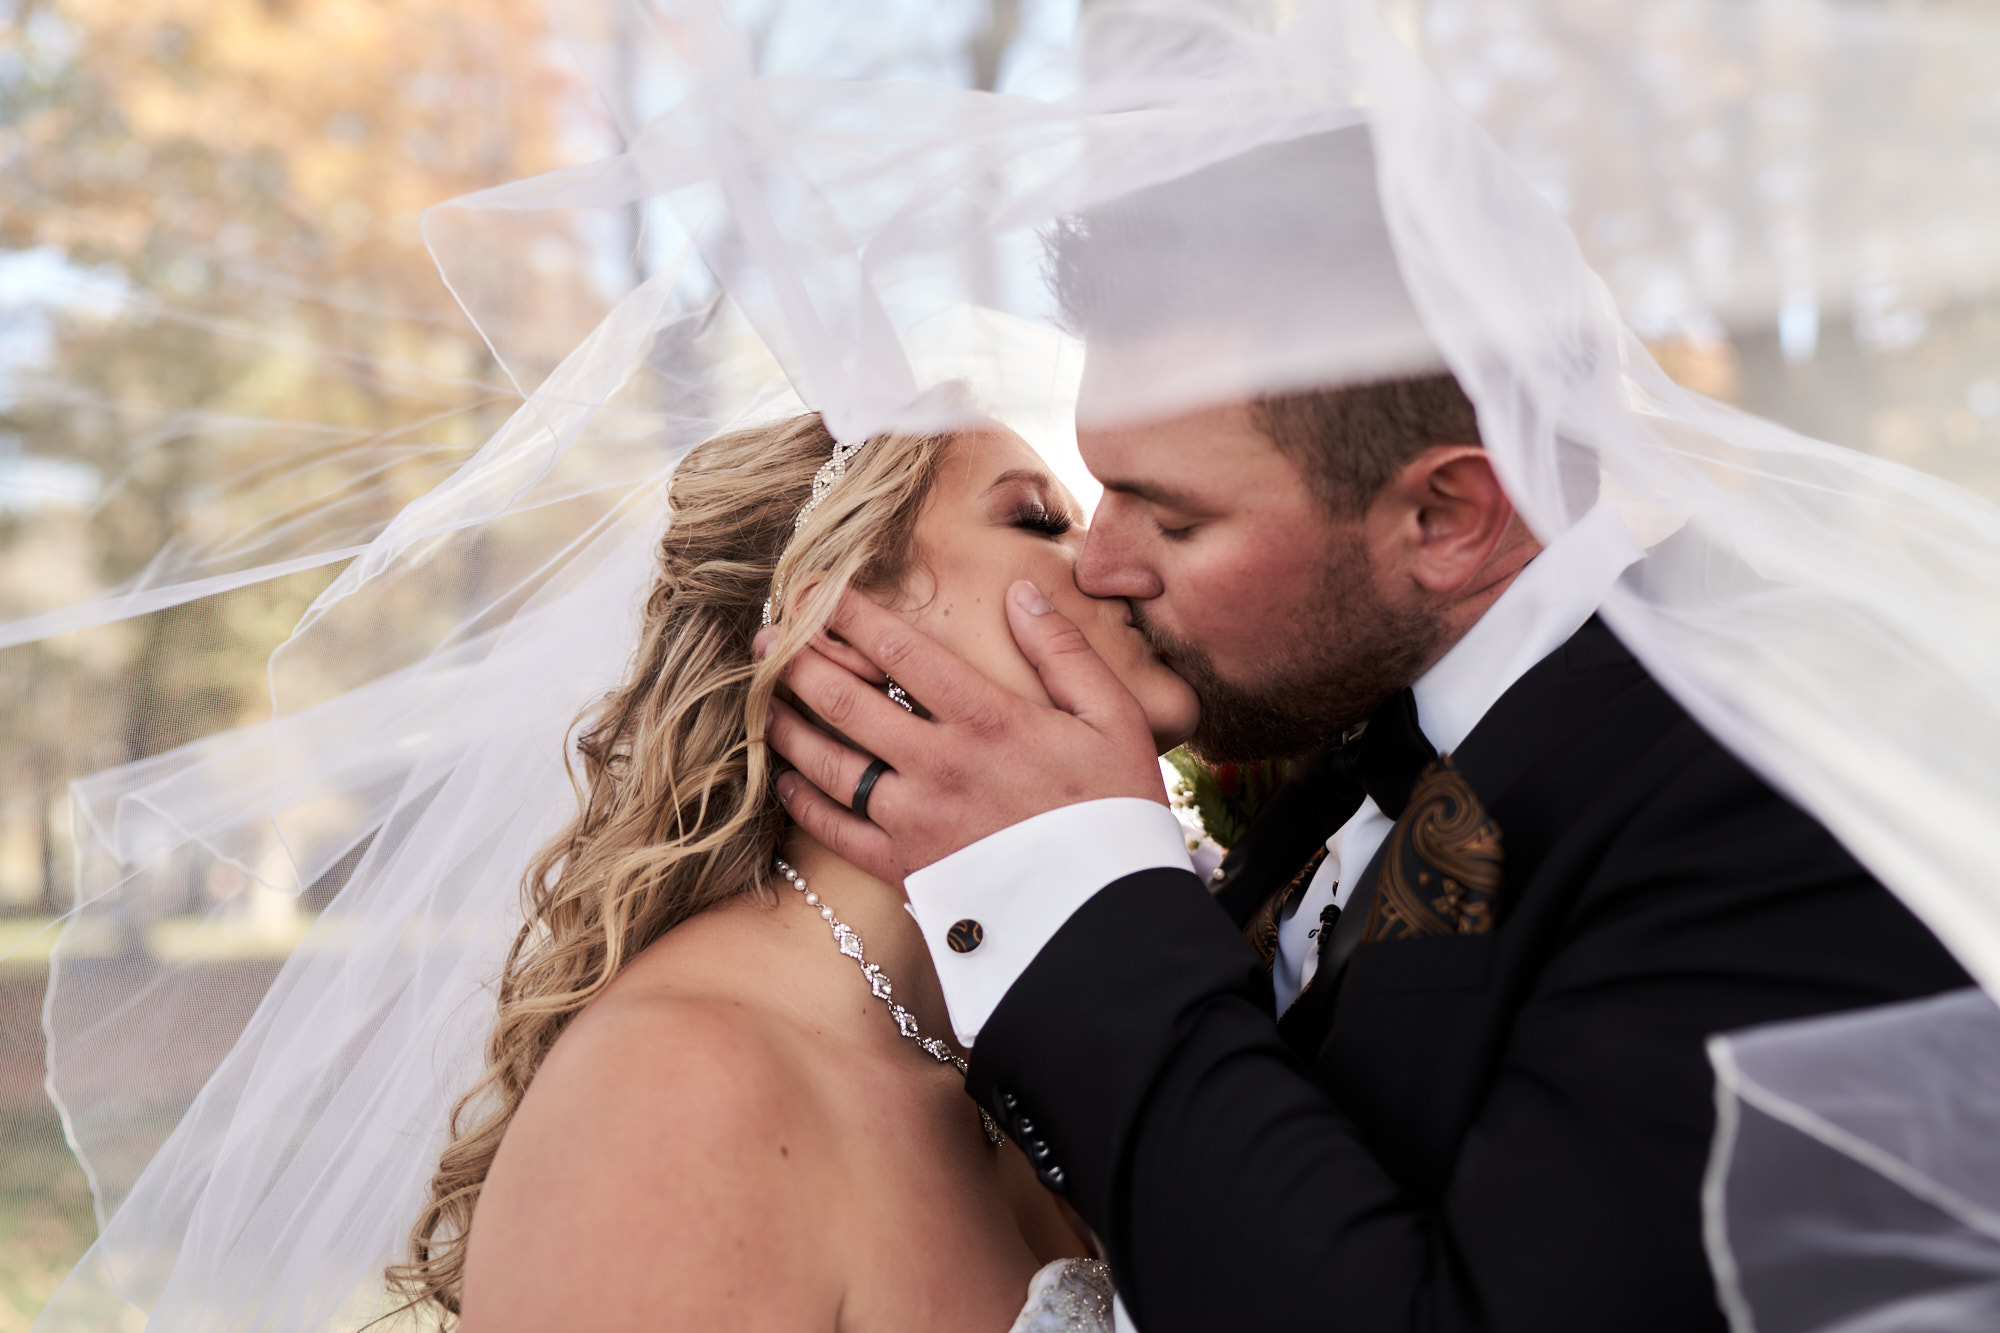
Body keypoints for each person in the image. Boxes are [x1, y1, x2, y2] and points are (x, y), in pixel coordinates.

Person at [762, 141, 1978, 1332]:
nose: (1101, 558)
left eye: (1172, 519)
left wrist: (1072, 889)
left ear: (1446, 515)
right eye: (1093, 492)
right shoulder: (1354, 760)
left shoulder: (1763, 793)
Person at [388, 411, 1197, 1331]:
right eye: (1040, 521)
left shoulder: (1028, 1043)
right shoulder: (676, 1097)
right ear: (838, 632)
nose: (1108, 564)